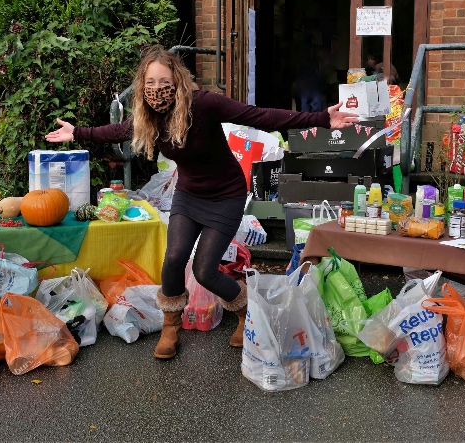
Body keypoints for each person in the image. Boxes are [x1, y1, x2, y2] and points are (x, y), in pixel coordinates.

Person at [45, 45, 358, 359]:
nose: (156, 90)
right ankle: (171, 327)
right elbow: (116, 130)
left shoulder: (205, 104)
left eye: (163, 81)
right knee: (173, 259)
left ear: (178, 80)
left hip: (226, 195)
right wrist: (79, 133)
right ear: (142, 86)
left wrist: (320, 118)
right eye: (150, 83)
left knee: (206, 270)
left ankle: (245, 312)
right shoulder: (149, 119)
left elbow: (259, 116)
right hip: (189, 195)